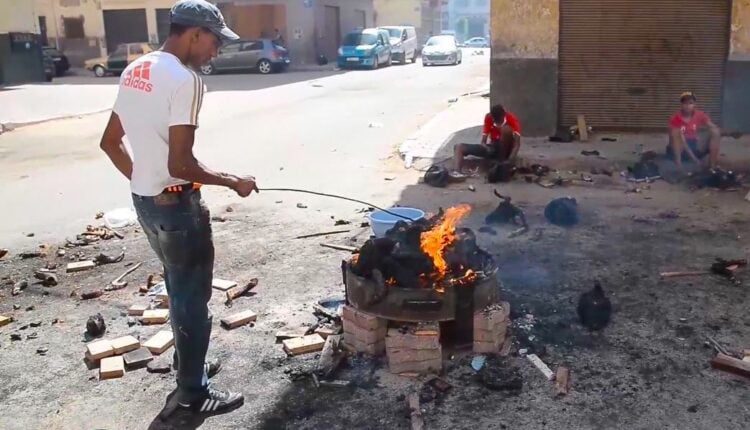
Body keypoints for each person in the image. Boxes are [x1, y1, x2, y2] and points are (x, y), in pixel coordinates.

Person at [99, 0, 256, 415]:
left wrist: (144, 182)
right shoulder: (186, 80)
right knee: (191, 298)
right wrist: (233, 181)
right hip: (177, 209)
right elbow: (181, 165)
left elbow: (109, 142)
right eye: (214, 42)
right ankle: (193, 393)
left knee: (178, 289)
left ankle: (190, 365)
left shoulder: (136, 68)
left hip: (146, 204)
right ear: (194, 34)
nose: (216, 51)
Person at [454, 104, 522, 173]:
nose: (497, 124)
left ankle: (501, 163)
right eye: (495, 121)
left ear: (503, 116)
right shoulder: (488, 117)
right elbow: (483, 141)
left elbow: (517, 144)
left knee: (506, 130)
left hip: (506, 150)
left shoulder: (512, 119)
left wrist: (510, 160)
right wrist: (486, 148)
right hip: (493, 147)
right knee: (459, 147)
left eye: (499, 122)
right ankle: (457, 173)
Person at [668, 91, 721, 170]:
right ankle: (678, 165)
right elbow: (677, 141)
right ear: (681, 105)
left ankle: (712, 167)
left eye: (690, 103)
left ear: (694, 104)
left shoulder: (699, 114)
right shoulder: (675, 118)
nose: (688, 106)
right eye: (685, 103)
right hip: (680, 149)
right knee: (676, 134)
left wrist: (723, 131)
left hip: (694, 145)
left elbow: (711, 125)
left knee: (715, 132)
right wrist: (695, 159)